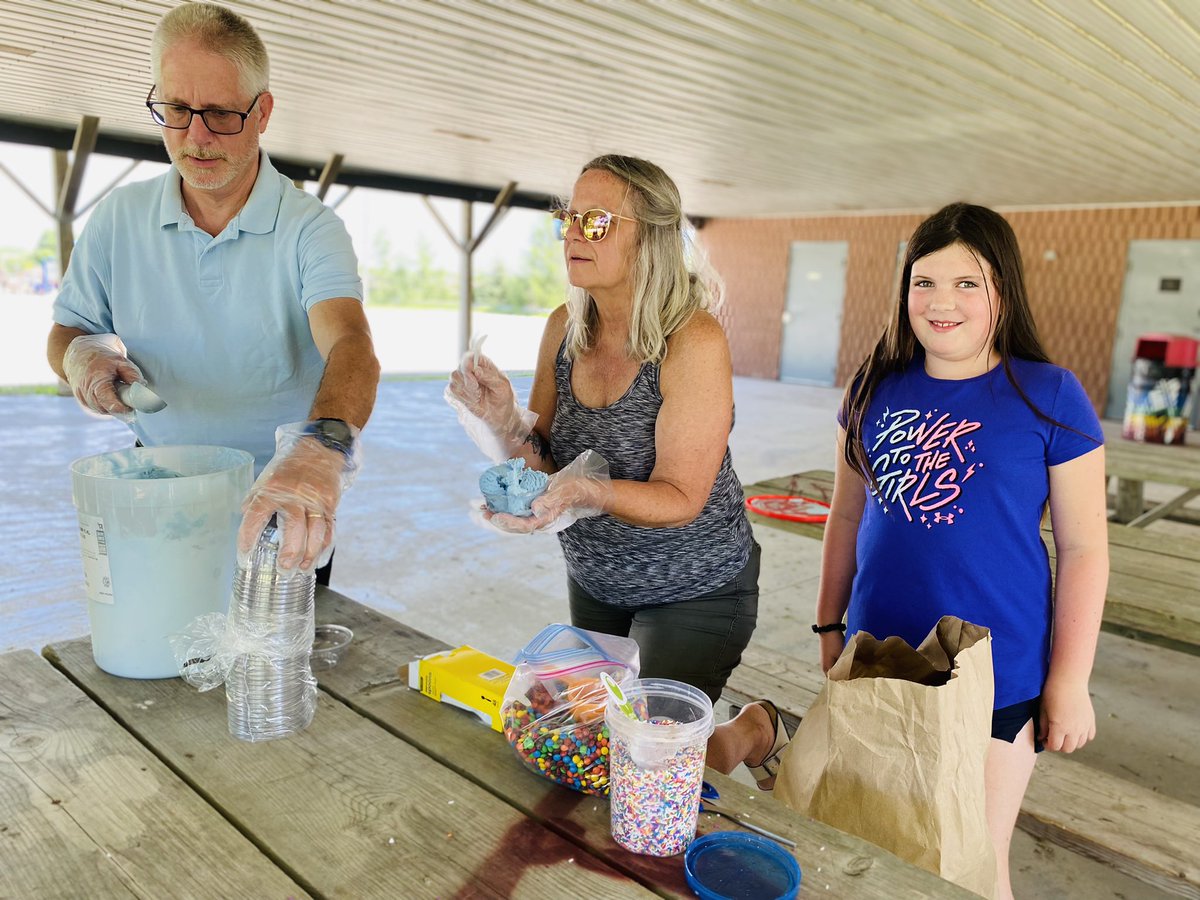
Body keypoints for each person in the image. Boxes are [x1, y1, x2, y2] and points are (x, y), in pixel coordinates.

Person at [814, 203, 1108, 898]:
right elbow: (845, 515)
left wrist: (1069, 681)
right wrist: (829, 625)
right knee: (877, 842)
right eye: (924, 282)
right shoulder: (872, 387)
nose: (942, 301)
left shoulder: (1049, 395)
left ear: (1003, 290)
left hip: (995, 678)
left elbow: (1085, 548)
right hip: (879, 658)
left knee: (970, 864)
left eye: (967, 283)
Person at [47, 3, 379, 580]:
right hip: (155, 493)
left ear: (263, 111)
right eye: (177, 109)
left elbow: (351, 345)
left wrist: (319, 452)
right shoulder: (118, 218)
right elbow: (67, 329)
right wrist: (82, 357)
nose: (196, 137)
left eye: (222, 113)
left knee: (274, 666)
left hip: (281, 496)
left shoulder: (310, 227)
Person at [446, 155, 768, 738]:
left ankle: (751, 733)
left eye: (594, 221)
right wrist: (502, 420)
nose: (571, 232)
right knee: (594, 742)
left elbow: (681, 496)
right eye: (567, 216)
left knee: (645, 749)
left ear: (652, 237)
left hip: (694, 586)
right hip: (595, 580)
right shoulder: (562, 330)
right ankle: (738, 739)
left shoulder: (692, 340)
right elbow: (540, 461)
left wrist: (588, 490)